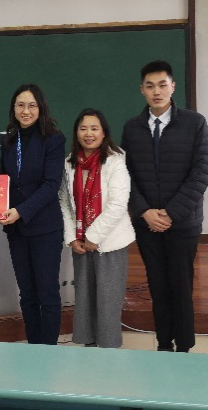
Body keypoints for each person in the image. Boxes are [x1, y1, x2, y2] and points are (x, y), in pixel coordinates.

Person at [120, 61, 208, 353]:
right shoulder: (132, 128)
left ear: (173, 87)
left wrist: (171, 213)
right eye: (150, 86)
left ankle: (184, 346)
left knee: (181, 286)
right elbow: (125, 175)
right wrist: (144, 211)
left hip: (183, 223)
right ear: (141, 90)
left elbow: (201, 172)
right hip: (147, 223)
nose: (156, 91)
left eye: (162, 85)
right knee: (156, 285)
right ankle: (163, 343)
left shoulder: (195, 123)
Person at [60, 108, 134, 348]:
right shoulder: (70, 162)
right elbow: (64, 202)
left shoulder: (115, 161)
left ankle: (108, 349)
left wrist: (93, 236)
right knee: (85, 298)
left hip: (109, 242)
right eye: (83, 129)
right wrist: (72, 238)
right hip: (81, 243)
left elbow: (118, 204)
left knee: (107, 300)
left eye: (94, 128)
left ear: (104, 133)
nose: (88, 134)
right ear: (76, 133)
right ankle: (88, 346)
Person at [0, 84, 66, 345]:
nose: (25, 111)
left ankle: (47, 350)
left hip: (45, 228)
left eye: (31, 105)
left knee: (47, 293)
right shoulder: (8, 140)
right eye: (20, 105)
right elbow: (5, 183)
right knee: (26, 294)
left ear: (41, 108)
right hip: (17, 230)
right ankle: (33, 347)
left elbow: (51, 184)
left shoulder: (54, 139)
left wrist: (21, 211)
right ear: (13, 109)